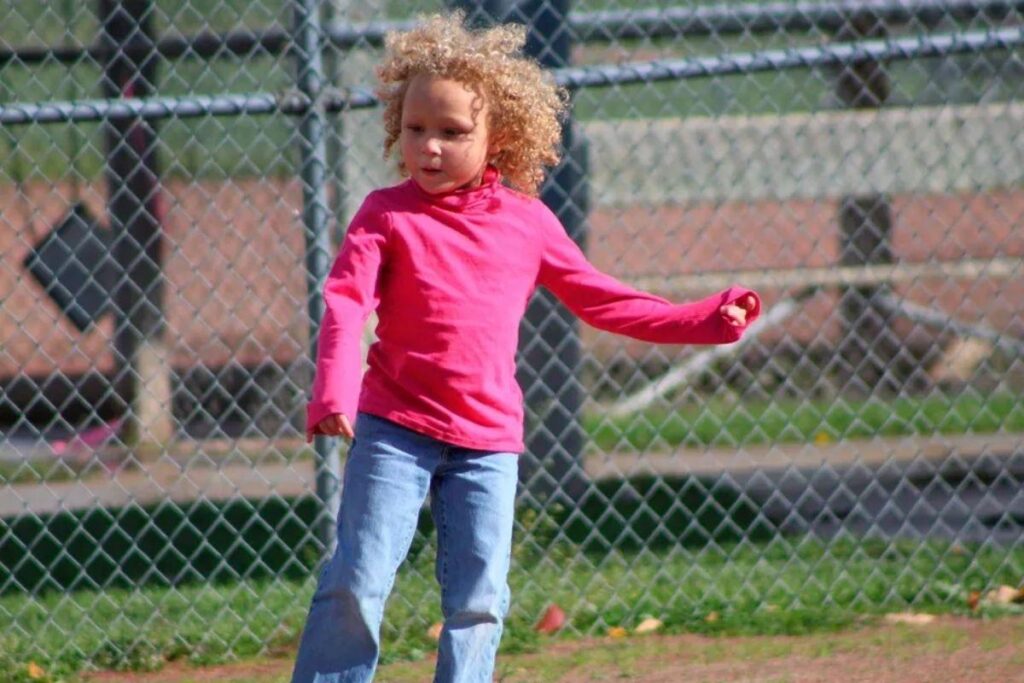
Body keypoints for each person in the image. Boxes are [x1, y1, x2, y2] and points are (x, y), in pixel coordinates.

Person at [291, 12, 761, 683]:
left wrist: (708, 320)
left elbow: (604, 299)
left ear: (500, 136)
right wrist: (333, 391)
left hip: (487, 440)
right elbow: (345, 303)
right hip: (394, 427)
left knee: (479, 600)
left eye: (452, 132)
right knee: (356, 580)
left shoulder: (528, 223)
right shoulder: (384, 213)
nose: (429, 146)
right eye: (416, 127)